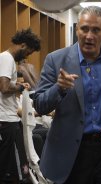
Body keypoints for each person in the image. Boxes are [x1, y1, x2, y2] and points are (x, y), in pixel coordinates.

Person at [33, 6, 101, 184]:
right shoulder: (55, 59)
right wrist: (59, 88)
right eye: (84, 29)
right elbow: (40, 105)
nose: (89, 35)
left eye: (96, 30)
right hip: (69, 153)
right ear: (77, 30)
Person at [0, 28, 41, 183]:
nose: (27, 56)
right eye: (28, 52)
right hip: (6, 121)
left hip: (8, 120)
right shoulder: (7, 58)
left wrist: (16, 84)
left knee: (11, 168)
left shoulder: (6, 59)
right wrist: (20, 87)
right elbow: (4, 87)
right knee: (11, 170)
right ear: (23, 45)